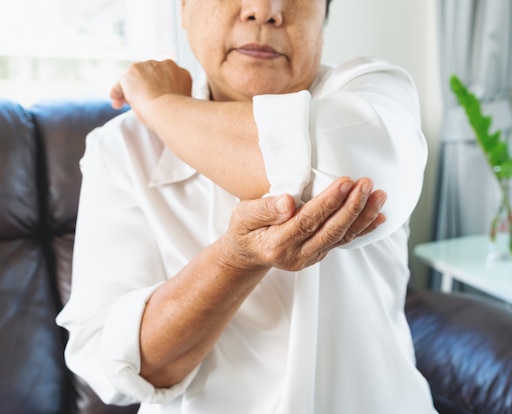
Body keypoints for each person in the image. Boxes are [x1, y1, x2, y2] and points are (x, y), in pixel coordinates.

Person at [57, 0, 437, 413]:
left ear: (324, 15)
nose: (263, 10)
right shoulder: (123, 149)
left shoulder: (377, 91)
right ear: (183, 8)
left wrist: (159, 106)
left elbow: (341, 171)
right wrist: (234, 260)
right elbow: (119, 365)